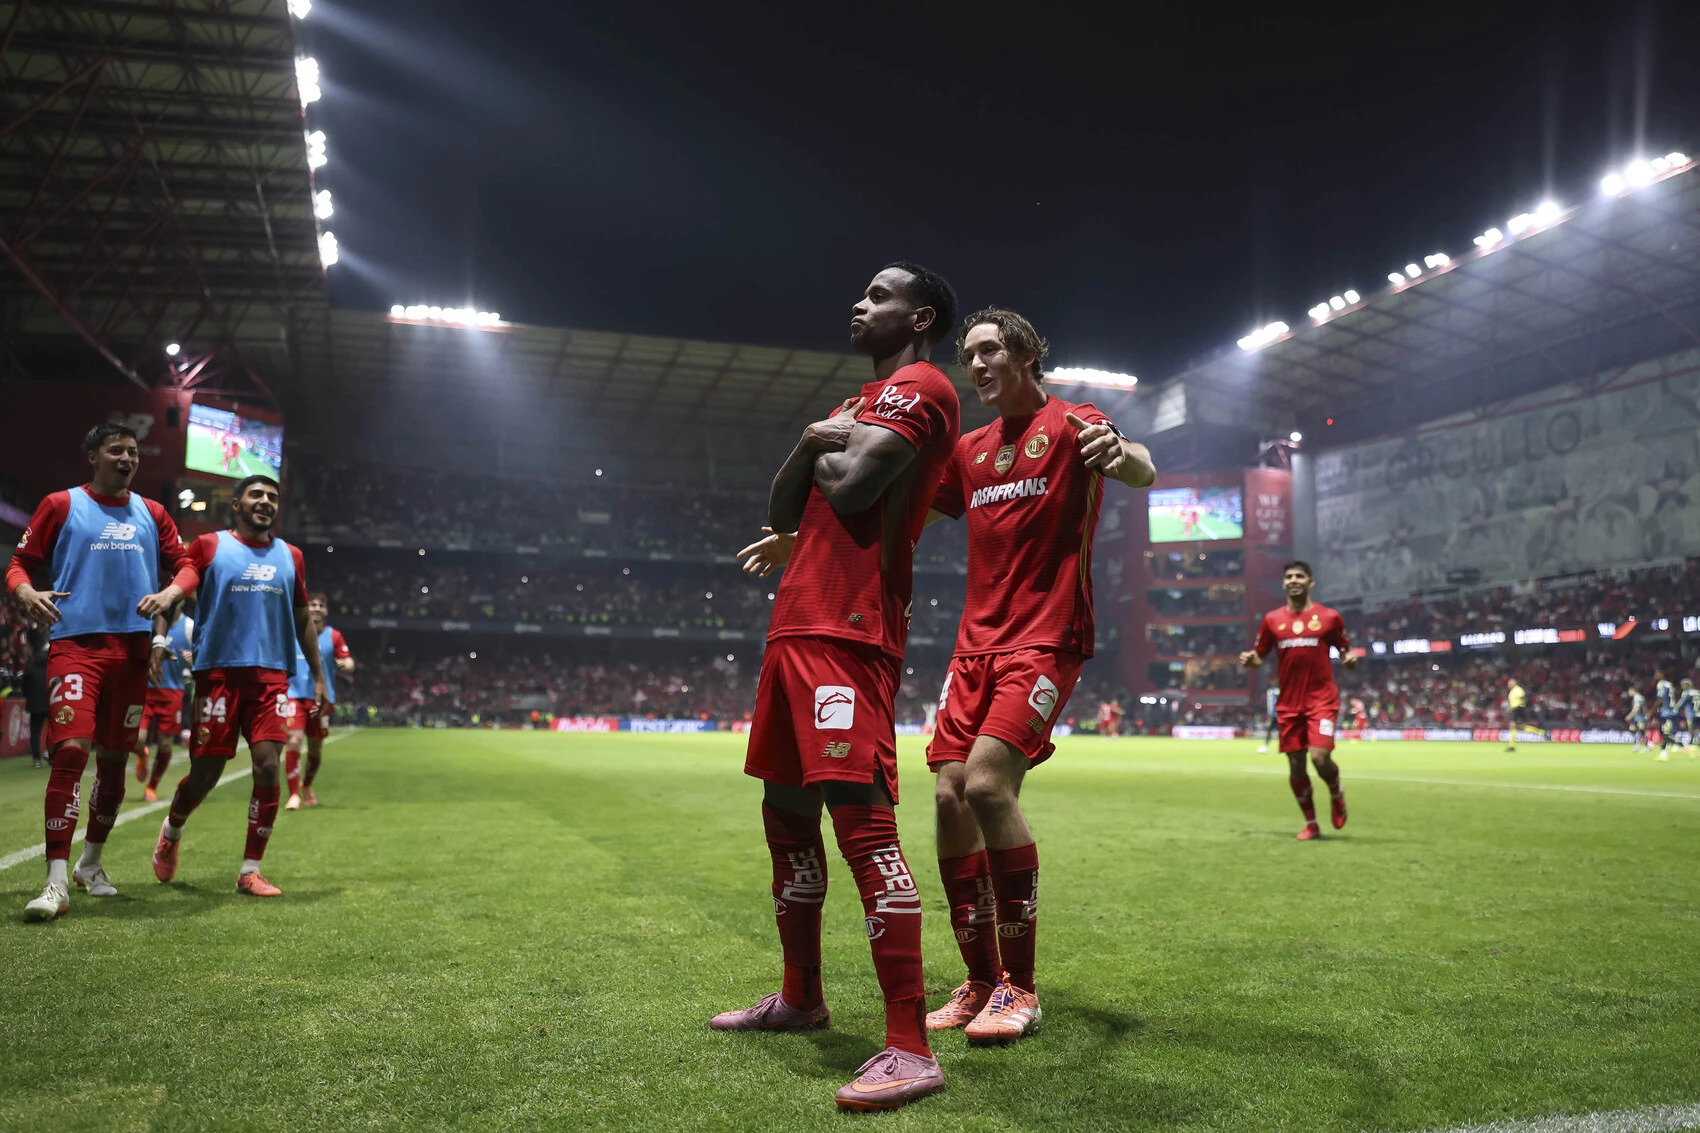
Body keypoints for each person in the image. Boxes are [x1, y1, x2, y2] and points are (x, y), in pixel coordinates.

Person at [719, 261, 960, 1112]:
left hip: (849, 631)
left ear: (919, 317)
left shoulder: (923, 387)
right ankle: (800, 996)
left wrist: (830, 443)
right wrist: (810, 439)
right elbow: (786, 509)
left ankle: (910, 1046)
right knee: (785, 819)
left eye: (880, 295)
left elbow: (855, 489)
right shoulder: (858, 402)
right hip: (797, 624)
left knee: (865, 828)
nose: (860, 303)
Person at [919, 307, 1154, 1041]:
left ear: (1024, 353)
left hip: (1047, 638)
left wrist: (1122, 454)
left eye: (988, 350)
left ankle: (1019, 987)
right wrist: (811, 536)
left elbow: (1140, 464)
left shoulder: (1073, 421)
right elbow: (911, 517)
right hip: (973, 648)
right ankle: (979, 980)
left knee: (988, 785)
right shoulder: (969, 450)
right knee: (949, 798)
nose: (976, 365)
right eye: (968, 355)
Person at [7, 422, 196, 921]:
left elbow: (187, 565)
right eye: (116, 450)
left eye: (133, 452)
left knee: (114, 761)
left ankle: (90, 864)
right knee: (71, 751)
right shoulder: (61, 504)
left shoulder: (153, 512)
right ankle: (55, 881)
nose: (127, 459)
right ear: (93, 456)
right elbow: (19, 563)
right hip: (76, 646)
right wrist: (25, 591)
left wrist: (170, 593)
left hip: (131, 653)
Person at [151, 475, 325, 898]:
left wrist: (318, 676)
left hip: (271, 677)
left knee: (267, 766)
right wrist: (158, 639)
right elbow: (175, 592)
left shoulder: (291, 556)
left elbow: (302, 616)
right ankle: (172, 831)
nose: (265, 502)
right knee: (206, 774)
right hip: (218, 675)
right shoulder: (209, 546)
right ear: (236, 504)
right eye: (256, 495)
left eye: (272, 497)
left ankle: (250, 870)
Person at [1239, 561, 1356, 840]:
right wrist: (1250, 661)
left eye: (1300, 576)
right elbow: (1259, 656)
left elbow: (1345, 649)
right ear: (1283, 583)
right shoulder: (1272, 620)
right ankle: (1311, 824)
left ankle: (1335, 791)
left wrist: (1349, 658)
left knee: (1319, 757)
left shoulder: (1329, 617)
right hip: (1289, 704)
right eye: (1289, 577)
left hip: (1321, 701)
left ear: (1310, 582)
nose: (1294, 580)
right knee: (1295, 765)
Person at [284, 592, 353, 809]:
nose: (316, 608)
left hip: (322, 698)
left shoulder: (334, 636)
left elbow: (348, 660)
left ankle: (307, 785)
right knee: (294, 739)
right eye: (312, 604)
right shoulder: (292, 631)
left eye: (320, 605)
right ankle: (293, 794)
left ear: (326, 611)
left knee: (315, 747)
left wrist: (347, 665)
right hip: (294, 694)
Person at [137, 604, 194, 802]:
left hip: (173, 692)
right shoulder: (151, 623)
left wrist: (191, 660)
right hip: (147, 689)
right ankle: (142, 754)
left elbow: (199, 657)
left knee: (165, 744)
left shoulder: (188, 626)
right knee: (137, 739)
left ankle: (152, 787)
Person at [23, 631, 50, 770]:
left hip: (35, 703)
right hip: (50, 701)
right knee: (54, 729)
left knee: (35, 731)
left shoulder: (31, 664)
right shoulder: (50, 661)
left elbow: (24, 683)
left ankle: (36, 759)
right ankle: (50, 753)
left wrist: (28, 696)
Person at [1504, 676, 1544, 751]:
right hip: (1515, 710)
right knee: (1520, 726)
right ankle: (1540, 732)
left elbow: (1524, 699)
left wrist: (1518, 707)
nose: (1509, 684)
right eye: (1509, 683)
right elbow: (1515, 701)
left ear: (1515, 683)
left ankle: (1512, 745)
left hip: (1517, 710)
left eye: (1511, 682)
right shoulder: (1512, 691)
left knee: (1513, 725)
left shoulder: (1518, 690)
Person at [1652, 670, 1678, 762]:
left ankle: (1683, 746)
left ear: (1662, 675)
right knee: (1665, 733)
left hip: (1666, 712)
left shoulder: (1661, 684)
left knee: (1665, 733)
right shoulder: (1669, 684)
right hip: (1671, 711)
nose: (1655, 676)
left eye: (1657, 674)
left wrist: (1652, 710)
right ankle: (1664, 753)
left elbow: (1661, 699)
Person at [1257, 682, 1279, 753]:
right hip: (1272, 715)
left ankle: (1286, 746)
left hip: (1278, 715)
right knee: (1269, 730)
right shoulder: (1270, 692)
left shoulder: (1276, 692)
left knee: (1281, 731)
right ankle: (1265, 746)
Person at [1625, 685, 1647, 753]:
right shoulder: (1638, 697)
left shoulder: (1637, 698)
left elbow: (1636, 708)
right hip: (1637, 717)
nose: (1629, 693)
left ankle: (1648, 746)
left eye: (1629, 691)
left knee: (1641, 732)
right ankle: (1637, 745)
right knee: (1632, 729)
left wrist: (1629, 716)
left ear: (1633, 691)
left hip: (1640, 718)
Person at [1679, 678, 1697, 758]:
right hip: (1694, 713)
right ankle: (1691, 743)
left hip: (1691, 714)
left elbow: (1681, 703)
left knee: (1691, 729)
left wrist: (1675, 708)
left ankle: (1690, 744)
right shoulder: (1695, 692)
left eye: (1683, 684)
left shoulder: (1687, 693)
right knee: (1694, 729)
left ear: (1688, 684)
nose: (1682, 686)